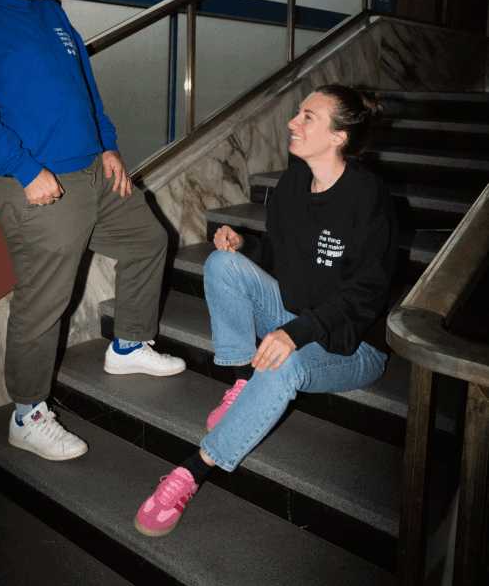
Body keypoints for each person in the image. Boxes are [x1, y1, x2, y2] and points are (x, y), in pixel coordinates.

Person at [0, 0, 185, 463]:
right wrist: (27, 169)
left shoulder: (49, 9)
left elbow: (84, 84)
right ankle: (27, 413)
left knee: (149, 241)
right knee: (46, 301)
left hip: (94, 168)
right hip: (36, 183)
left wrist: (109, 145)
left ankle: (127, 344)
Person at [134, 84, 399, 536]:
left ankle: (192, 472)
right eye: (297, 113)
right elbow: (278, 253)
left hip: (350, 346)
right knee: (223, 263)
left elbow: (367, 294)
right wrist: (245, 245)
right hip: (295, 315)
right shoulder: (294, 182)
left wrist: (297, 333)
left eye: (308, 117)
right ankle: (241, 382)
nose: (293, 123)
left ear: (338, 137)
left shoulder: (368, 196)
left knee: (285, 359)